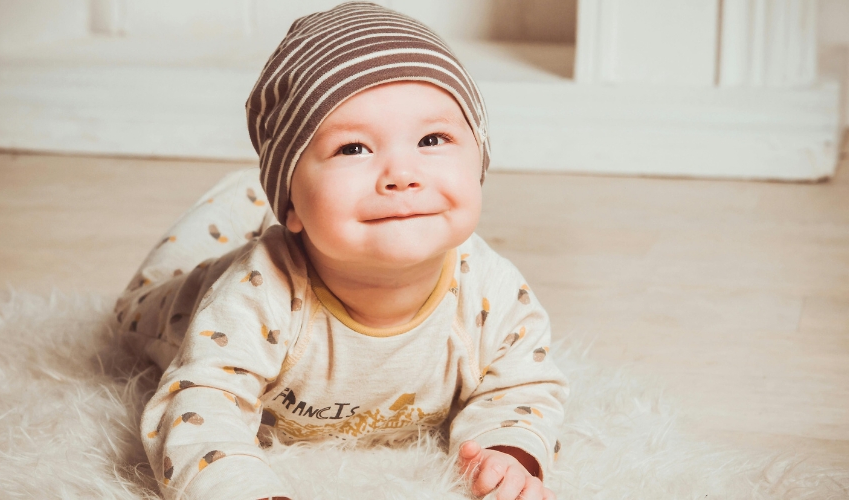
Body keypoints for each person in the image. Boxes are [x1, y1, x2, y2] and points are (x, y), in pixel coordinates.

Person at [115, 3, 569, 499]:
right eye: (353, 148)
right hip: (178, 306)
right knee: (161, 280)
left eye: (432, 139)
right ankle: (244, 193)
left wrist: (510, 451)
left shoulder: (490, 289)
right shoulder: (254, 291)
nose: (401, 174)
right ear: (290, 203)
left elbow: (522, 385)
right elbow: (201, 404)